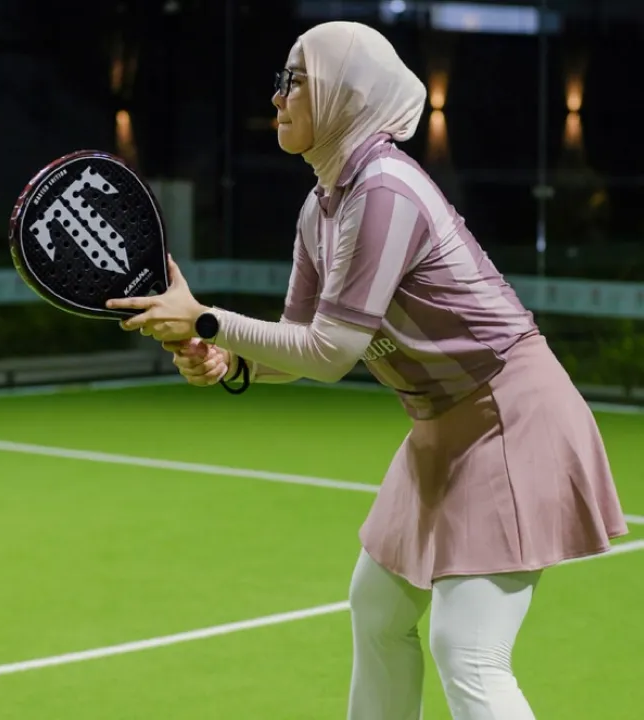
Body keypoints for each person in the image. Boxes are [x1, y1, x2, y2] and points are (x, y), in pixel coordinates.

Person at [106, 20, 629, 720]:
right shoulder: (322, 207)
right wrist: (228, 360)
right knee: (377, 610)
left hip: (512, 417)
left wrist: (205, 320)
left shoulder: (386, 191)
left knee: (468, 651)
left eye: (295, 81)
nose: (277, 97)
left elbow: (330, 354)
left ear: (344, 93)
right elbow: (296, 342)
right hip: (439, 427)